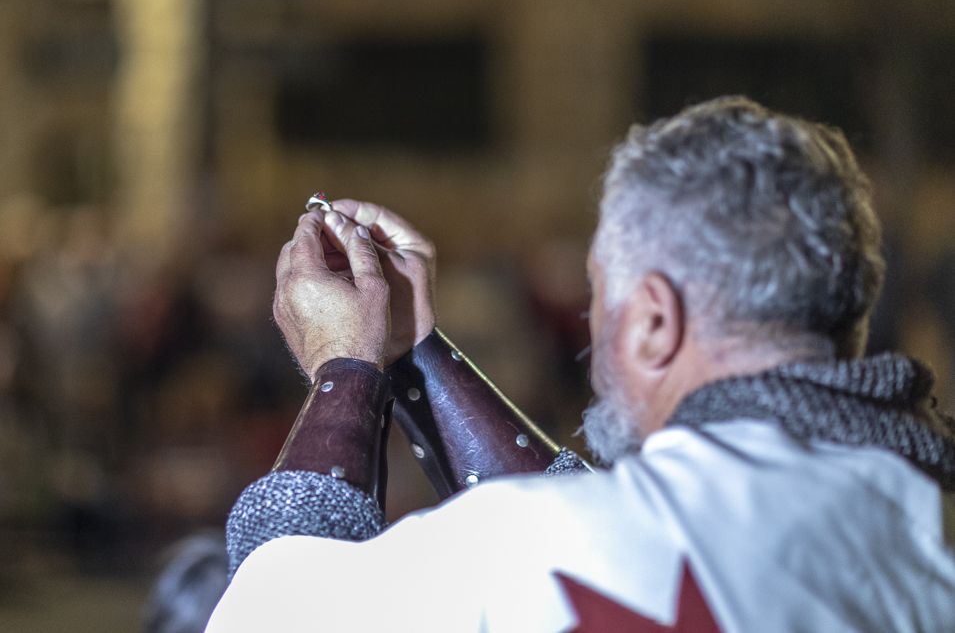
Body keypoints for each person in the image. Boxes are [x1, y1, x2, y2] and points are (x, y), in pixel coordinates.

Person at [206, 97, 955, 632]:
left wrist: (345, 369)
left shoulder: (542, 547)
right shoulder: (911, 540)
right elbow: (606, 514)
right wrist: (413, 353)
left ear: (654, 323)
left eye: (601, 296)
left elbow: (265, 610)